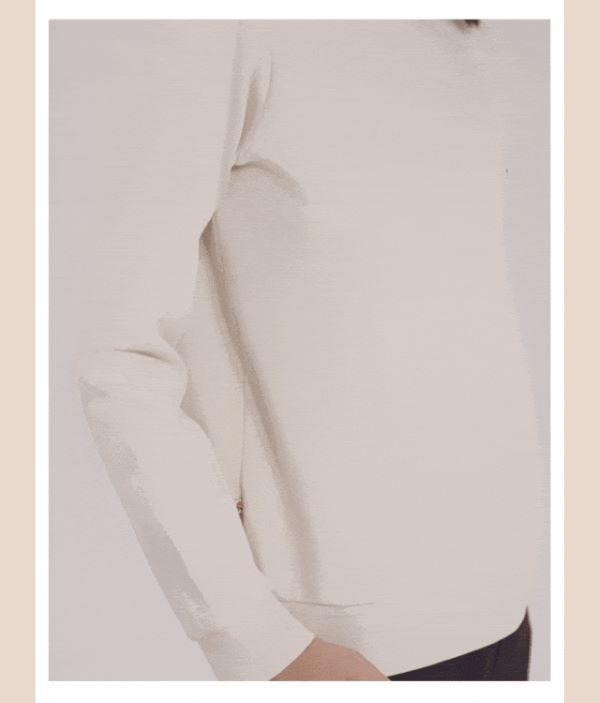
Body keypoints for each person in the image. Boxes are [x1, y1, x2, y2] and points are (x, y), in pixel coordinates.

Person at [65, 19, 546, 680]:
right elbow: (122, 361)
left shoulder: (463, 40)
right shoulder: (226, 30)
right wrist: (261, 642)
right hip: (346, 645)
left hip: (504, 609)